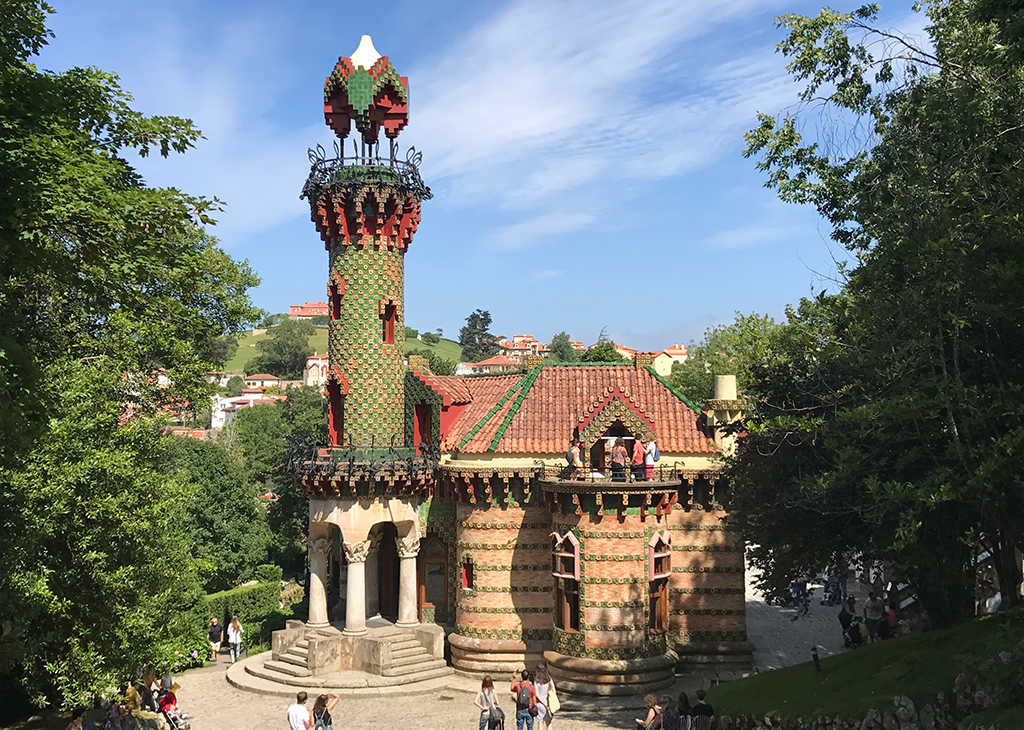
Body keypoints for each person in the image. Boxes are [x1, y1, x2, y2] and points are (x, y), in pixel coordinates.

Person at [533, 663, 555, 730]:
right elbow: (553, 691)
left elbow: (537, 694)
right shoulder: (549, 680)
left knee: (540, 722)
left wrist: (543, 702)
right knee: (548, 722)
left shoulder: (536, 681)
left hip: (540, 704)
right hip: (549, 703)